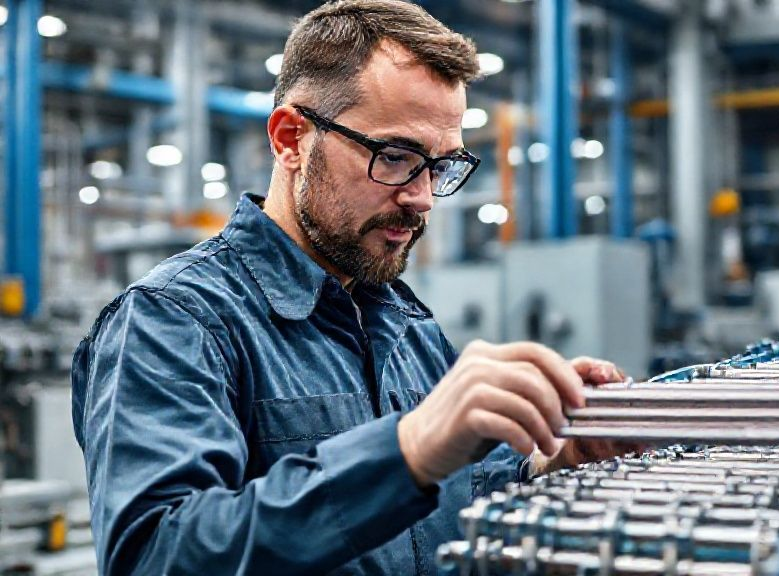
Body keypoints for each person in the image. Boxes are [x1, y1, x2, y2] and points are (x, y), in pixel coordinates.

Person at [71, 1, 632, 574]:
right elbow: (156, 555)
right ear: (292, 139)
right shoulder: (173, 322)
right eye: (395, 157)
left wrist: (544, 465)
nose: (421, 198)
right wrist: (406, 452)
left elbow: (447, 500)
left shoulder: (405, 323)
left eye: (439, 167)